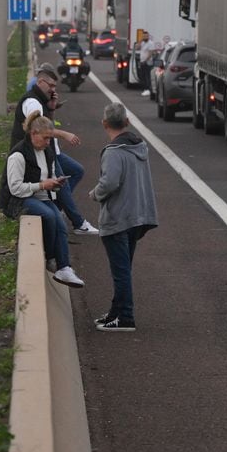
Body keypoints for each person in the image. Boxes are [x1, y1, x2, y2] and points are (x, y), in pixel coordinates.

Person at [91, 101, 158, 331]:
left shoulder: (113, 152)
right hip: (136, 215)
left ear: (104, 123)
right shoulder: (139, 147)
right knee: (124, 269)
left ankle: (125, 316)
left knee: (120, 272)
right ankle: (115, 312)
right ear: (127, 122)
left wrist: (94, 194)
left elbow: (109, 183)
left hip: (118, 218)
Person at [12, 66, 101, 235]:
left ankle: (57, 207)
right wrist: (64, 134)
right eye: (51, 86)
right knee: (63, 185)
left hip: (51, 150)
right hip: (39, 152)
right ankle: (78, 223)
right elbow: (38, 128)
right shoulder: (32, 102)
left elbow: (47, 123)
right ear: (40, 82)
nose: (53, 90)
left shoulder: (43, 101)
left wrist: (52, 108)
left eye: (55, 87)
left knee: (76, 171)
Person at [8, 113, 84, 287]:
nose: (48, 142)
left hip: (41, 196)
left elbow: (48, 177)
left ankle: (65, 268)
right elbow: (14, 189)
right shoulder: (18, 155)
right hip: (19, 199)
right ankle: (51, 258)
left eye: (50, 139)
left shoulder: (47, 152)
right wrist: (42, 185)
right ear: (33, 134)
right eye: (46, 138)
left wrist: (55, 184)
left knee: (60, 222)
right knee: (49, 216)